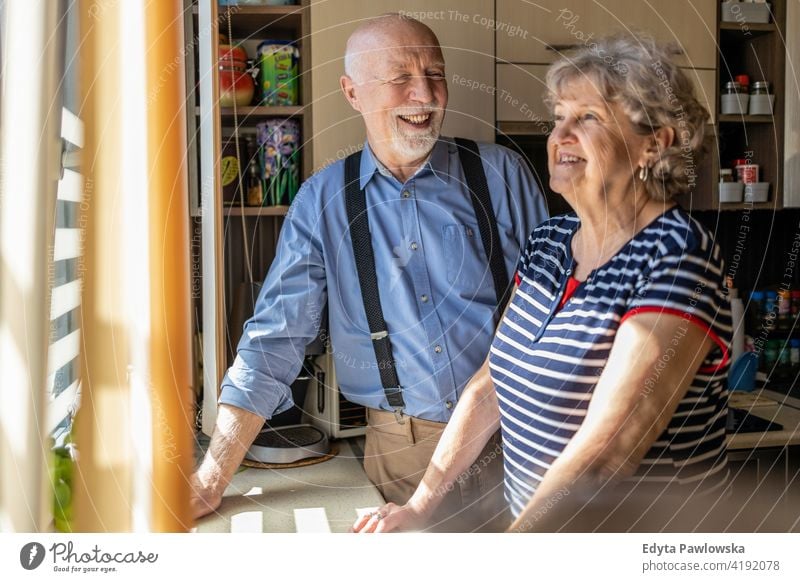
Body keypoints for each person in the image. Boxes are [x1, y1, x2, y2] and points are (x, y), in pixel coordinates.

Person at [354, 33, 731, 533]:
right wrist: (420, 506)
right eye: (558, 118)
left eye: (588, 118)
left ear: (654, 142)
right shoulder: (550, 242)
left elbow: (608, 450)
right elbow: (489, 386)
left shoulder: (678, 253)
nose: (560, 136)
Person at [190, 13, 548, 530]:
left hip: (521, 438)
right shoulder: (321, 201)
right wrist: (210, 479)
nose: (424, 94)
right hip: (404, 453)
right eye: (400, 77)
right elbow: (274, 341)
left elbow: (557, 314)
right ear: (353, 93)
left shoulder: (502, 174)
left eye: (435, 74)